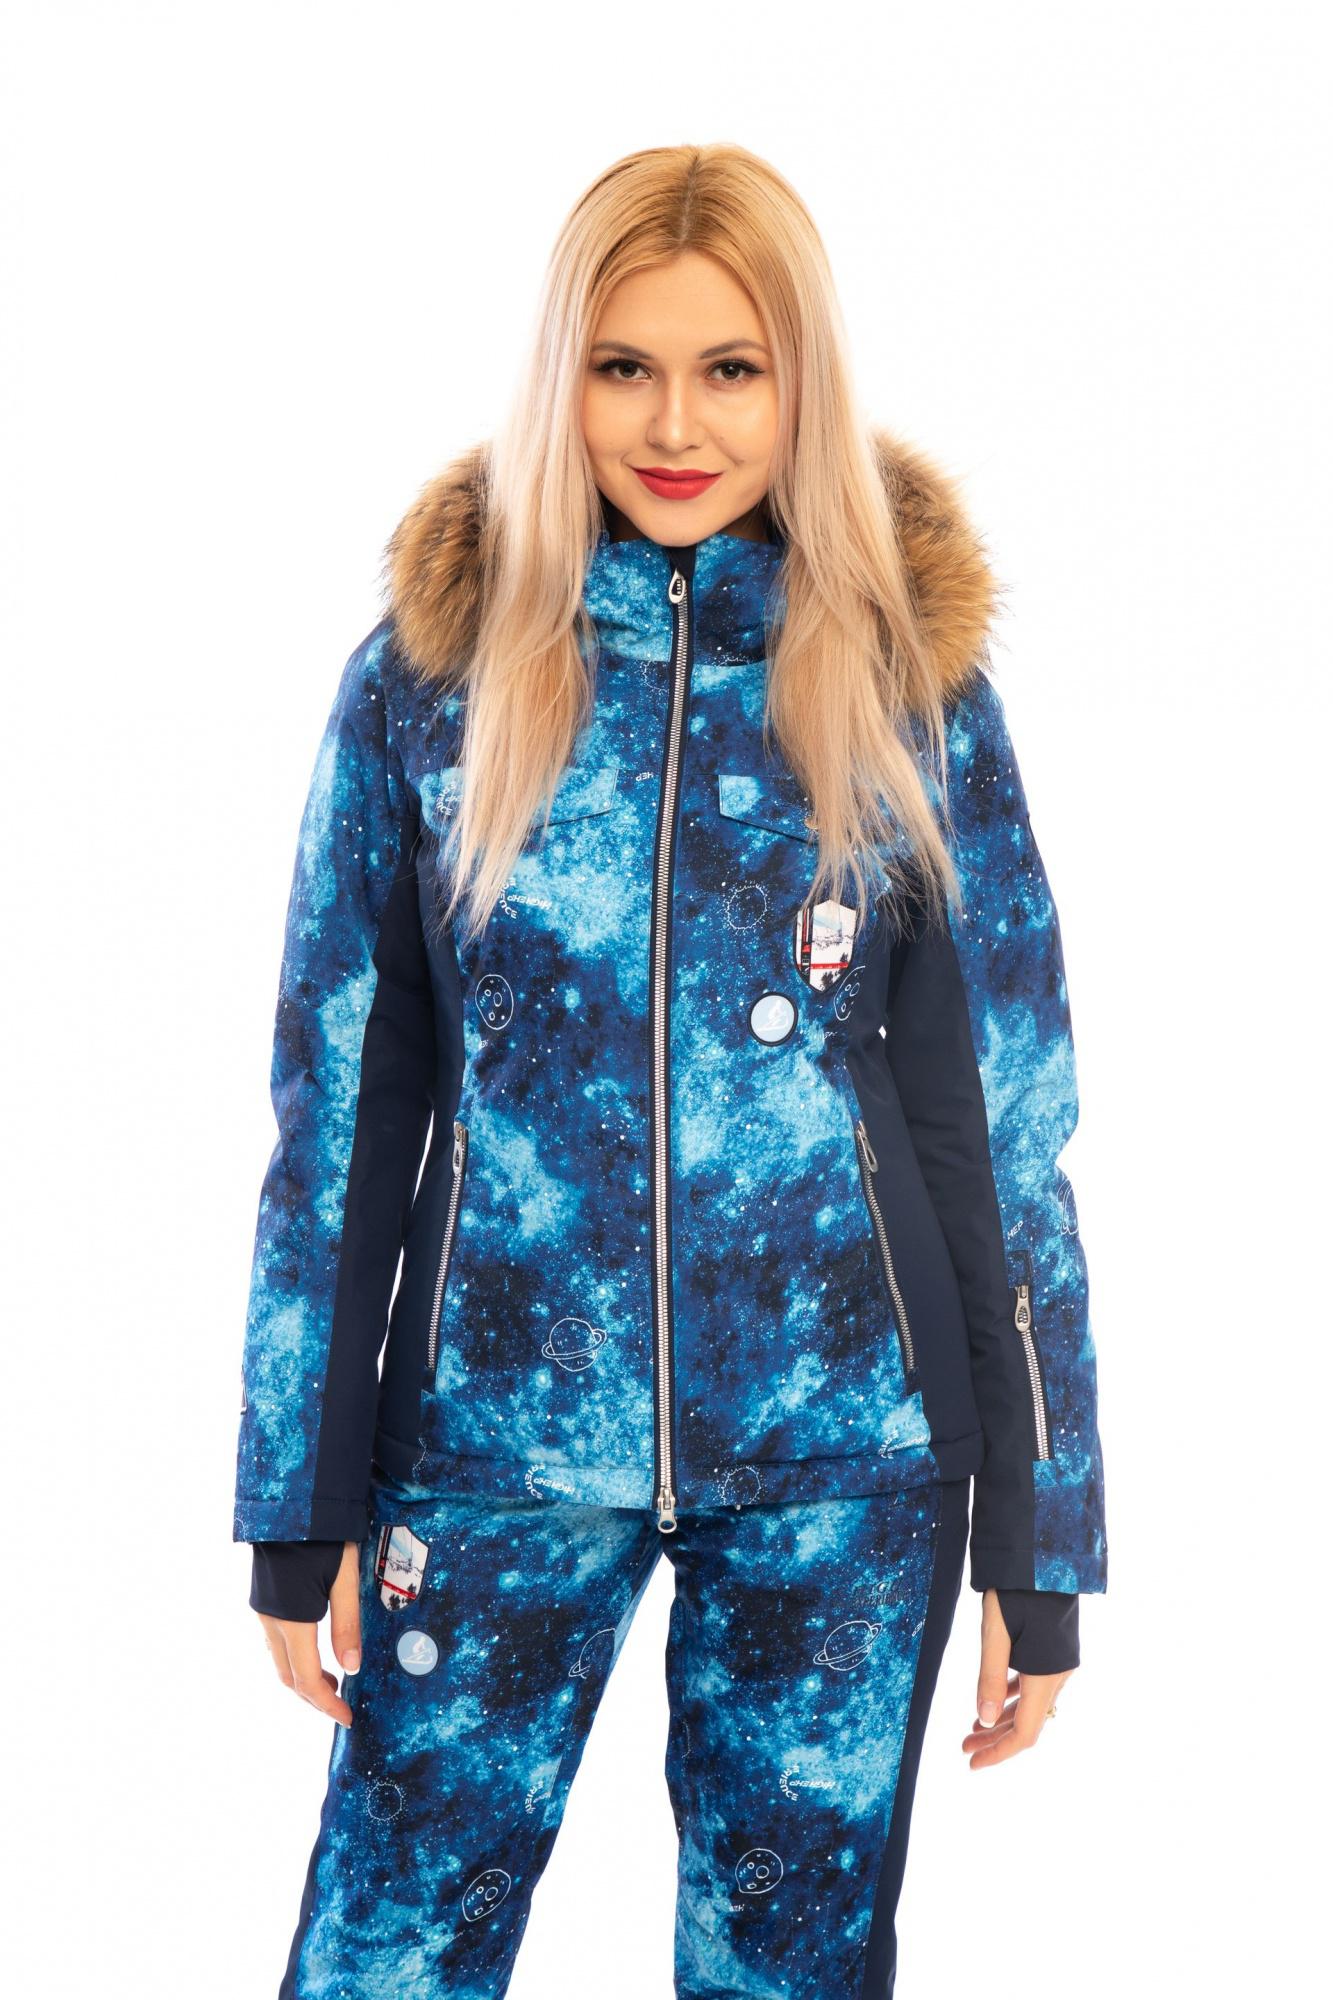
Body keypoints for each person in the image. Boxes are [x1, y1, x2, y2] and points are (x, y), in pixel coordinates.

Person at [234, 142, 1108, 2000]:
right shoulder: (430, 679)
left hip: (846, 1457)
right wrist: (297, 1502)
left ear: (803, 382)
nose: (675, 424)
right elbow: (342, 1119)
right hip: (491, 1445)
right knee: (384, 1952)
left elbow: (998, 1129)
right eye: (622, 366)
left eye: (731, 367)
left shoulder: (907, 685)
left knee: (787, 1972)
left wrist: (1039, 1536)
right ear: (559, 376)